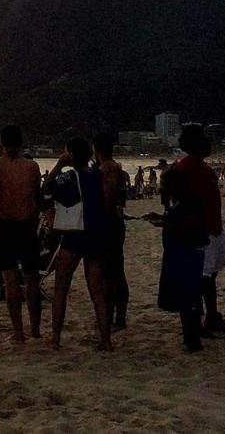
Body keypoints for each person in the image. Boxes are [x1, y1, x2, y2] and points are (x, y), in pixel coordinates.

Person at [44, 136, 111, 351]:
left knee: (61, 287)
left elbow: (45, 189)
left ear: (70, 154)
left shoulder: (70, 177)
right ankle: (106, 339)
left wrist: (59, 165)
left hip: (75, 234)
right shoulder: (97, 175)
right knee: (97, 291)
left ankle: (55, 338)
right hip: (97, 233)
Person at [175, 124, 225, 336]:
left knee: (210, 275)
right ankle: (198, 319)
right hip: (202, 231)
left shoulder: (202, 167)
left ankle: (211, 316)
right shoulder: (185, 168)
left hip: (214, 228)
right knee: (202, 277)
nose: (209, 144)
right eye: (204, 140)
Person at [0, 124, 44, 343]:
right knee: (32, 279)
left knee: (10, 280)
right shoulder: (32, 167)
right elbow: (37, 198)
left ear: (1, 142)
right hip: (26, 225)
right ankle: (36, 330)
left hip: (2, 225)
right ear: (21, 143)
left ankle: (19, 332)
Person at [147, 166, 208, 351]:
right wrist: (161, 219)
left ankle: (193, 338)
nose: (162, 185)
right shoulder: (173, 200)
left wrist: (165, 222)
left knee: (190, 295)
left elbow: (190, 224)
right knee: (184, 297)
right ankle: (189, 335)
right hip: (175, 250)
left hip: (188, 251)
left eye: (164, 182)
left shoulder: (191, 200)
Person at [94, 132, 130, 330]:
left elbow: (108, 199)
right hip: (114, 222)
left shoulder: (107, 168)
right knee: (116, 271)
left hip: (108, 224)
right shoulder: (115, 167)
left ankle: (112, 318)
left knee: (111, 273)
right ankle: (118, 318)